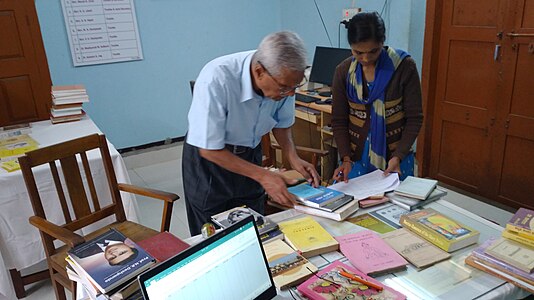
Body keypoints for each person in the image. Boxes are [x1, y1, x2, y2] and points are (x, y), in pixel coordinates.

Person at [183, 31, 320, 235]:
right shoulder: (216, 78)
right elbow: (210, 150)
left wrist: (293, 157)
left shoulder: (284, 79)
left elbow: (281, 124)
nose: (290, 94)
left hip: (249, 153)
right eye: (284, 88)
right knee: (212, 233)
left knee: (254, 225)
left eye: (295, 87)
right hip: (211, 163)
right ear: (259, 72)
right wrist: (265, 176)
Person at [331, 12, 423, 183]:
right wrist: (345, 158)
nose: (366, 59)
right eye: (358, 52)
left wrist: (398, 156)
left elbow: (414, 118)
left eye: (373, 51)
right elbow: (339, 120)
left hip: (396, 157)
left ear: (383, 42)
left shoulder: (403, 67)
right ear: (350, 46)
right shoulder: (343, 72)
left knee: (396, 207)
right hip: (356, 159)